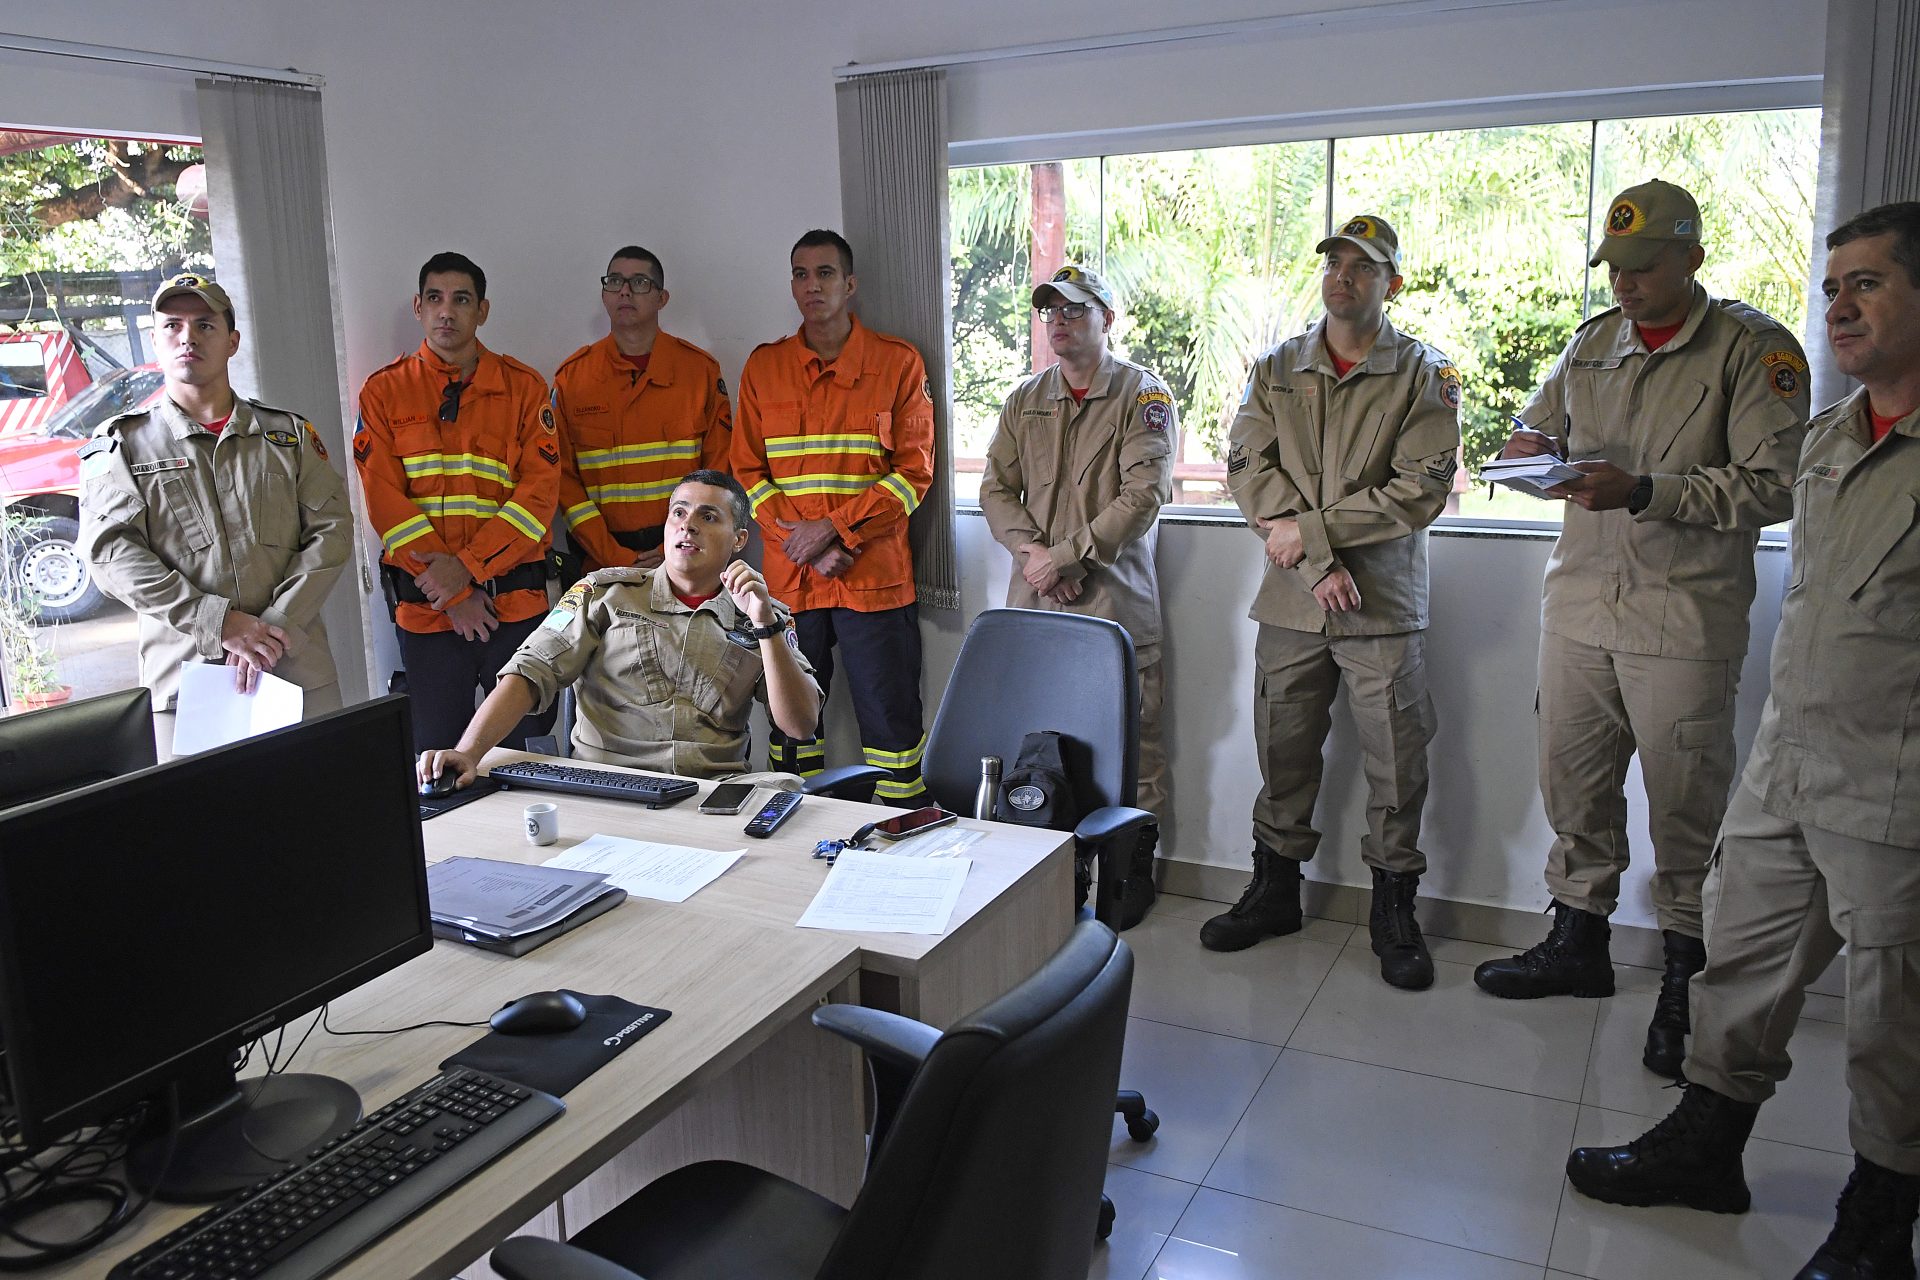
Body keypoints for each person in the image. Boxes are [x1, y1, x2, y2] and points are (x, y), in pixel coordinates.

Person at [1564, 201, 1920, 1280]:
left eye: (1869, 283)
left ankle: (1877, 1221)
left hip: (1897, 784)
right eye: (1834, 285)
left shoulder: (1755, 366)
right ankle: (1707, 1145)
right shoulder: (1833, 437)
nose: (1840, 305)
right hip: (1791, 759)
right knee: (1739, 966)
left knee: (1893, 1023)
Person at [1473, 181, 1811, 1080]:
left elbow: (1775, 486)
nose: (1624, 284)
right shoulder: (1592, 344)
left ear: (1692, 257)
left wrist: (1649, 491)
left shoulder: (1753, 349)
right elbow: (1533, 427)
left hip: (1684, 617)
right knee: (1573, 788)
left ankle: (1683, 978)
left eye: (1644, 266)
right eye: (1614, 268)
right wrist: (1523, 452)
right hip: (1581, 605)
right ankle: (1577, 943)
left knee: (1688, 812)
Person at [1202, 216, 1461, 990]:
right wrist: (1316, 563)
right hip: (1292, 600)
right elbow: (1248, 465)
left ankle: (1393, 907)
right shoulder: (1279, 367)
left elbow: (1421, 489)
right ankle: (1275, 891)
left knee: (1395, 758)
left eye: (1362, 266)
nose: (1342, 276)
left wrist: (1309, 534)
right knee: (1280, 746)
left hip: (1379, 601)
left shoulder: (1424, 373)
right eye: (1334, 263)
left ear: (1393, 283)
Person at [978, 263, 1175, 927]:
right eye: (1050, 312)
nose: (1058, 322)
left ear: (1107, 319)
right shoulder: (1025, 398)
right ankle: (1051, 874)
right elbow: (994, 490)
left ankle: (1128, 876)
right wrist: (1036, 558)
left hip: (1112, 602)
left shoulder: (1143, 396)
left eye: (1074, 310)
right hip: (1035, 602)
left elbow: (1142, 496)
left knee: (1133, 749)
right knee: (1037, 738)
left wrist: (1064, 558)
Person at [79, 273, 352, 752]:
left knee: (316, 812)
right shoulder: (123, 445)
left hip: (295, 674)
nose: (187, 337)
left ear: (232, 341)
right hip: (188, 685)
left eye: (205, 325)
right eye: (172, 326)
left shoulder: (286, 437)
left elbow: (331, 532)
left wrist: (276, 628)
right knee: (197, 822)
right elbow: (110, 554)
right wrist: (219, 622)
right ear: (155, 341)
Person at [418, 472, 820, 787]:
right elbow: (529, 672)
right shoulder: (603, 593)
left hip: (710, 793)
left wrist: (766, 625)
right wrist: (469, 753)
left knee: (783, 791)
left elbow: (800, 725)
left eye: (708, 517)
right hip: (612, 788)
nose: (688, 526)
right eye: (678, 513)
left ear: (739, 540)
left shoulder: (761, 613)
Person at [732, 229, 935, 805]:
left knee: (892, 729)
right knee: (792, 730)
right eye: (800, 273)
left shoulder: (897, 363)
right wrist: (807, 543)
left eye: (824, 273)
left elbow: (913, 473)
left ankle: (900, 844)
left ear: (849, 284)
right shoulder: (764, 367)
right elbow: (746, 470)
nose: (811, 285)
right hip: (790, 585)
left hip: (874, 579)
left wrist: (835, 531)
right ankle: (795, 837)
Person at [354, 252, 560, 755]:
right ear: (418, 308)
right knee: (434, 760)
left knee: (519, 758)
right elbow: (384, 502)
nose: (447, 311)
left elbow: (537, 498)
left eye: (461, 300)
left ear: (482, 311)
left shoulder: (526, 388)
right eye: (435, 298)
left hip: (512, 608)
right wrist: (453, 593)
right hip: (427, 612)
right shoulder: (383, 393)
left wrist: (465, 569)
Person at [552, 245, 733, 574]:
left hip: (689, 559)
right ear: (604, 294)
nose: (624, 291)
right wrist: (611, 553)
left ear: (662, 298)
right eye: (615, 281)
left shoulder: (699, 372)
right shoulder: (573, 379)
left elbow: (717, 471)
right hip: (601, 564)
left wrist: (677, 543)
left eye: (639, 282)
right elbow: (563, 479)